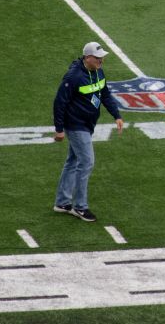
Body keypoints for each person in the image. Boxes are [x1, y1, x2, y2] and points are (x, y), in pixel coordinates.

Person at [52, 42, 125, 222]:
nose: (101, 60)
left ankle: (62, 202)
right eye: (98, 58)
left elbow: (105, 94)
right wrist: (59, 129)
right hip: (76, 125)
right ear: (87, 58)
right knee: (87, 162)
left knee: (73, 160)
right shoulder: (74, 76)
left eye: (102, 57)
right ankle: (80, 207)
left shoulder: (98, 71)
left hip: (88, 123)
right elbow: (59, 102)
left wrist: (117, 115)